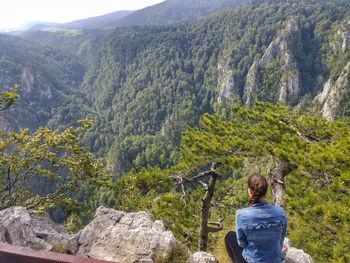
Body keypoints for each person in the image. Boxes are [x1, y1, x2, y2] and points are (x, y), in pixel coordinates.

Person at [225, 173, 287, 263]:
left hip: (252, 261)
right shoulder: (280, 212)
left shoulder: (241, 214)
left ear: (250, 191)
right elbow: (281, 239)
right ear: (266, 191)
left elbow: (241, 243)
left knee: (230, 236)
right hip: (275, 260)